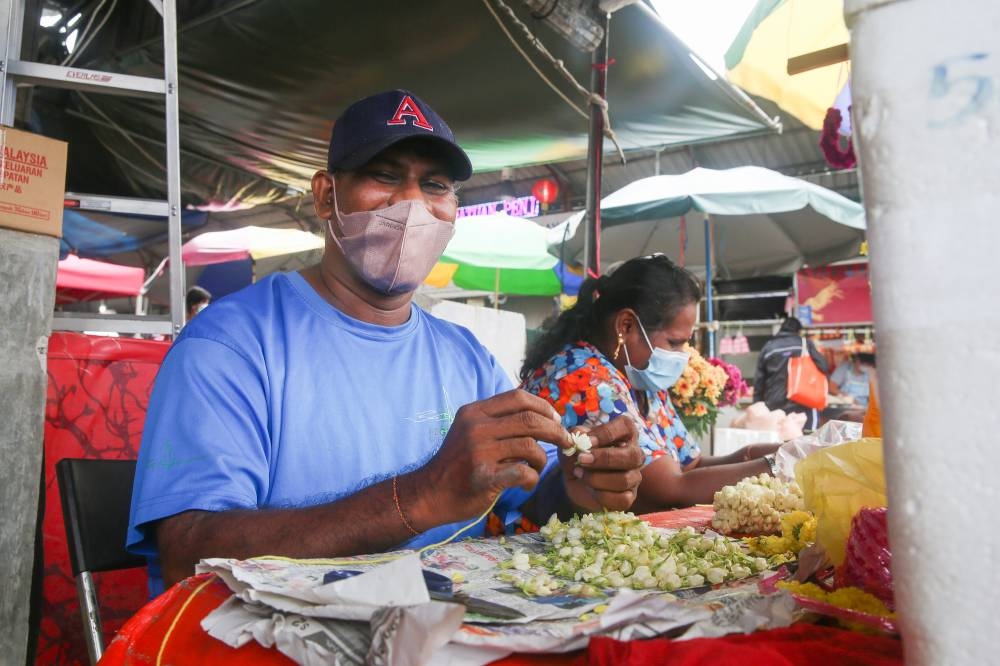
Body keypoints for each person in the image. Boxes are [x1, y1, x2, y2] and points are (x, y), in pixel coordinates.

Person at [127, 90, 643, 595]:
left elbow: (527, 499)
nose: (412, 204)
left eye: (435, 185)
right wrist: (419, 497)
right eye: (385, 176)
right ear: (327, 195)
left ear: (454, 210)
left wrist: (579, 487)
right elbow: (187, 555)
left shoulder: (465, 356)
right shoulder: (231, 345)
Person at [520, 255, 779, 513]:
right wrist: (779, 465)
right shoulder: (581, 378)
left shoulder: (640, 379)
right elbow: (671, 491)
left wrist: (770, 453)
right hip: (527, 543)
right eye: (674, 342)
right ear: (626, 325)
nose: (683, 355)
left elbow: (690, 465)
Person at [753, 317, 829, 431]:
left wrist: (758, 406)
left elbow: (759, 382)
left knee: (777, 442)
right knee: (806, 440)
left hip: (774, 404)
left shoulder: (768, 348)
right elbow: (823, 367)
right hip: (803, 402)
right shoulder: (804, 344)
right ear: (798, 331)